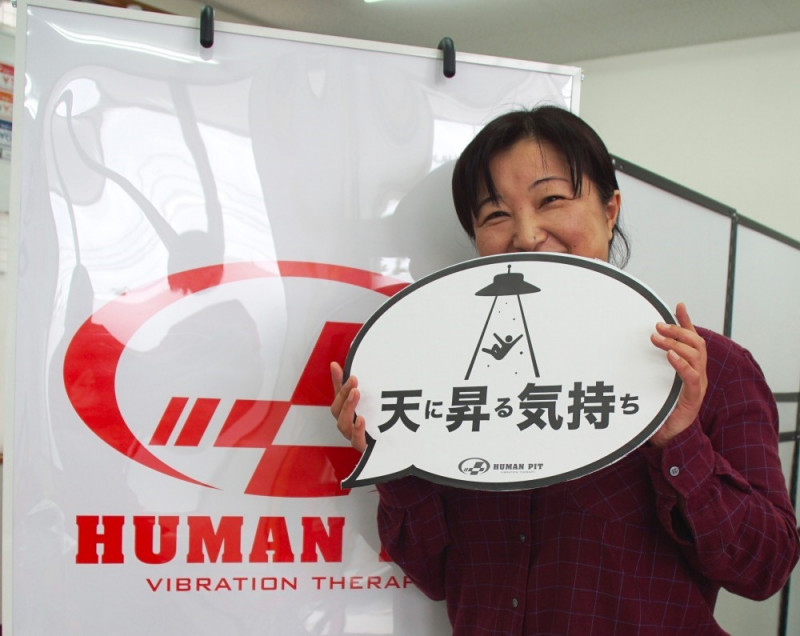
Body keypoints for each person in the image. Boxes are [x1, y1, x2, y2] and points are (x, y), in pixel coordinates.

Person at [330, 105, 800, 635]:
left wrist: (678, 440)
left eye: (551, 199)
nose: (527, 234)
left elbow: (766, 568)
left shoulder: (704, 368)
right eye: (495, 214)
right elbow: (438, 576)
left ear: (610, 210)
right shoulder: (448, 379)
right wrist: (392, 453)